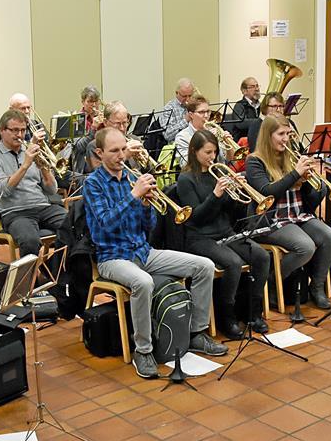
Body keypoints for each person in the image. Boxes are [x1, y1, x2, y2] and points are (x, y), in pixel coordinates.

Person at [83, 127, 227, 378]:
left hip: (143, 251)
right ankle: (144, 350)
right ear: (99, 152)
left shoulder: (131, 177)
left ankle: (196, 333)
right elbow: (105, 222)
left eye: (123, 150)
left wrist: (147, 205)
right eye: (114, 151)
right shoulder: (93, 184)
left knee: (204, 266)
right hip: (112, 257)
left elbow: (149, 226)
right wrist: (133, 195)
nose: (121, 156)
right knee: (143, 282)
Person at [176, 130, 270, 338]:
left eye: (215, 152)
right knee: (233, 263)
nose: (212, 157)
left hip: (224, 232)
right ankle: (227, 318)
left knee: (262, 256)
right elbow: (197, 218)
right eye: (207, 152)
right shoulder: (186, 179)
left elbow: (232, 214)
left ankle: (253, 313)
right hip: (199, 237)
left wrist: (235, 193)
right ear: (194, 151)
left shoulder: (218, 173)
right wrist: (216, 194)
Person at [245, 116, 331, 309]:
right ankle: (270, 282)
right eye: (281, 134)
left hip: (298, 216)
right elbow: (266, 192)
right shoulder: (254, 161)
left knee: (329, 236)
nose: (286, 139)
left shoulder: (290, 156)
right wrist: (295, 174)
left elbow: (308, 201)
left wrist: (316, 187)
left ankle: (316, 287)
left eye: (288, 134)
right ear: (268, 136)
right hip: (271, 221)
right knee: (306, 247)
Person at [0, 109, 67, 258]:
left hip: (43, 206)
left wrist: (44, 167)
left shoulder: (30, 151)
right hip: (15, 213)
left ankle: (54, 271)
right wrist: (25, 165)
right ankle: (29, 281)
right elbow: (2, 191)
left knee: (75, 227)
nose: (20, 135)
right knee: (30, 241)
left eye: (22, 130)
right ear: (2, 130)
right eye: (14, 130)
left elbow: (52, 190)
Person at [174, 95, 235, 166]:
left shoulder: (215, 130)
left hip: (220, 173)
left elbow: (230, 162)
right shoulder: (182, 136)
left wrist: (228, 144)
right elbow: (185, 164)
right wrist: (207, 141)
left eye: (208, 111)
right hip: (197, 176)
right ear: (191, 115)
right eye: (201, 112)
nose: (206, 115)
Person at [160, 78, 196, 143]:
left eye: (190, 96)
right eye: (184, 96)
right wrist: (186, 120)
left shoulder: (195, 105)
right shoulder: (169, 108)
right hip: (178, 145)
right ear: (177, 93)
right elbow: (167, 135)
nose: (187, 99)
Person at [229, 77, 262, 142]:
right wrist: (260, 121)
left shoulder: (262, 106)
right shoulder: (239, 105)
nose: (257, 89)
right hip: (243, 142)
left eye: (257, 86)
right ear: (244, 91)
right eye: (252, 87)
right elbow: (241, 124)